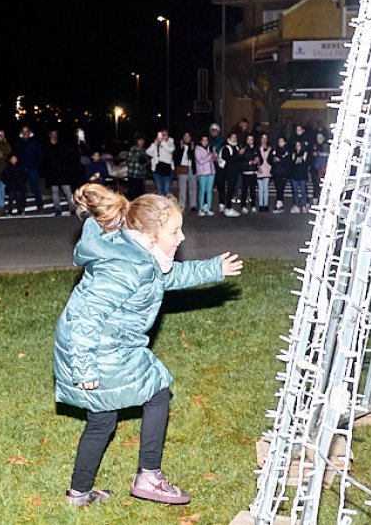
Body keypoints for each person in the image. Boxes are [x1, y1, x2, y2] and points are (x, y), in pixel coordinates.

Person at [54, 183, 243, 507]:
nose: (181, 238)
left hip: (106, 347)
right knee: (157, 393)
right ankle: (149, 476)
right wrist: (84, 369)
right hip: (99, 350)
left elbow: (167, 278)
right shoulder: (127, 266)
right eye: (174, 232)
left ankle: (79, 494)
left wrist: (213, 268)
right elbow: (86, 318)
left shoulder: (138, 254)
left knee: (102, 420)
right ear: (151, 234)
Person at [16, 126, 45, 212]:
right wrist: (19, 165)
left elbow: (40, 155)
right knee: (22, 189)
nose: (25, 133)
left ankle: (40, 205)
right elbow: (15, 155)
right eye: (23, 132)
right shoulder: (19, 143)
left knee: (36, 187)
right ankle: (22, 207)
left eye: (27, 131)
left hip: (32, 168)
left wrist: (36, 163)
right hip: (22, 169)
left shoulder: (35, 142)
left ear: (29, 132)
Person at [218, 131, 245, 217]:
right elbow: (229, 160)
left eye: (235, 137)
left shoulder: (236, 147)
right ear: (228, 138)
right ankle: (228, 208)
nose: (234, 139)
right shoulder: (226, 147)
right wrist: (239, 154)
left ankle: (228, 207)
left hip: (234, 172)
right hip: (227, 172)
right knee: (229, 190)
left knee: (231, 189)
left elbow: (239, 160)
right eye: (232, 137)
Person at [146, 129, 175, 197]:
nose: (163, 136)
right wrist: (154, 144)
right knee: (159, 190)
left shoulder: (170, 143)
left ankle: (168, 206)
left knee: (167, 190)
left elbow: (170, 150)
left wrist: (162, 142)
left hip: (167, 169)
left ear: (168, 136)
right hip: (156, 169)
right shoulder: (156, 144)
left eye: (165, 135)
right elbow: (148, 152)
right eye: (162, 134)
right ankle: (160, 206)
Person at [194, 134, 217, 217]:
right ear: (200, 141)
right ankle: (201, 208)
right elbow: (200, 161)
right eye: (203, 140)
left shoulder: (209, 148)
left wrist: (213, 153)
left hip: (211, 172)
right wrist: (209, 155)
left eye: (206, 140)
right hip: (202, 173)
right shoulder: (197, 150)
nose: (205, 142)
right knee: (202, 190)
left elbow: (214, 159)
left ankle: (209, 208)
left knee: (209, 191)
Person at [175, 131, 197, 212]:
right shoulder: (179, 146)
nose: (186, 138)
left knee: (193, 187)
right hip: (182, 167)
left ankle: (193, 205)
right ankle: (182, 205)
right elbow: (176, 158)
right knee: (182, 187)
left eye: (188, 136)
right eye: (185, 136)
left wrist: (191, 149)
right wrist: (181, 149)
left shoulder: (194, 146)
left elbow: (195, 157)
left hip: (192, 167)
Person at [270, 136, 292, 213]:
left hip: (284, 172)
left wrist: (281, 160)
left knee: (281, 188)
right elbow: (269, 159)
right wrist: (273, 159)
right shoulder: (275, 149)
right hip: (276, 172)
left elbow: (289, 161)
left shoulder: (288, 150)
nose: (280, 143)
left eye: (282, 141)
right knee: (277, 187)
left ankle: (279, 202)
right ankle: (279, 202)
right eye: (279, 141)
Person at [240, 133, 260, 214]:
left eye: (251, 139)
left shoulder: (256, 148)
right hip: (245, 171)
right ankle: (243, 206)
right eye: (248, 139)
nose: (250, 141)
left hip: (253, 172)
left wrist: (258, 160)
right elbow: (241, 159)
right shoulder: (244, 148)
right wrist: (249, 162)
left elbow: (259, 157)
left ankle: (253, 206)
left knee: (252, 190)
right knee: (244, 190)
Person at [290, 139, 311, 214]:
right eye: (296, 145)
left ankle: (304, 205)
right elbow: (292, 163)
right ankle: (296, 205)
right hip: (294, 175)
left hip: (302, 175)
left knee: (303, 191)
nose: (297, 147)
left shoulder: (305, 153)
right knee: (295, 191)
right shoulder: (293, 153)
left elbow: (305, 164)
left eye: (299, 145)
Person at [256, 133, 273, 212]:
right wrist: (257, 167)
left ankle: (265, 205)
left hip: (267, 169)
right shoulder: (257, 148)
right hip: (260, 169)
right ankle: (261, 205)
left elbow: (271, 159)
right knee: (260, 188)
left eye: (265, 138)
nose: (264, 140)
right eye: (262, 138)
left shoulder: (270, 148)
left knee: (266, 188)